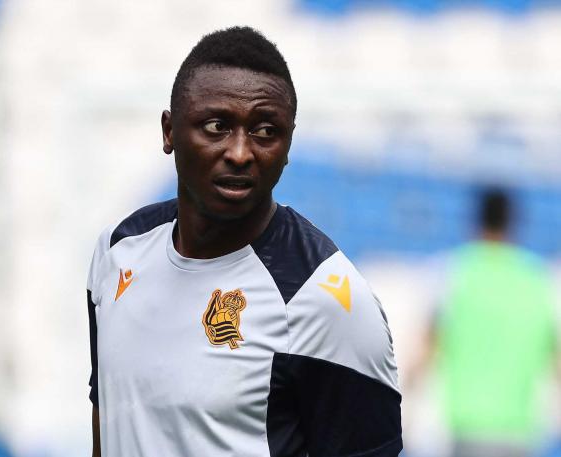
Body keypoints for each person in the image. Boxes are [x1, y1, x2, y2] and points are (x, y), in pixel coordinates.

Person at [86, 26, 402, 457]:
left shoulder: (326, 300)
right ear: (169, 132)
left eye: (265, 131)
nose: (240, 152)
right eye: (216, 125)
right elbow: (109, 408)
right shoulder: (118, 250)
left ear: (288, 146)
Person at [413, 189, 558, 457]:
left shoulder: (453, 273)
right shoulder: (537, 281)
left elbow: (426, 351)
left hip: (467, 428)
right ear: (514, 223)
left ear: (475, 221)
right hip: (519, 432)